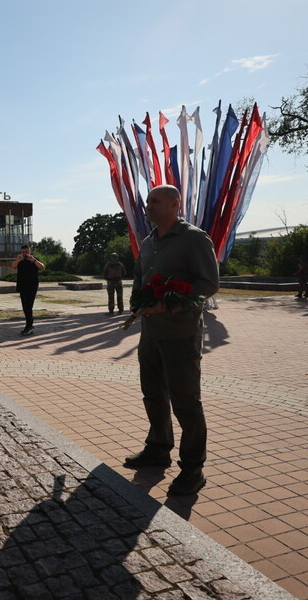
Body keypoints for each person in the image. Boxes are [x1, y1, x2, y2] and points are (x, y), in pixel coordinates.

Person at [123, 185, 219, 496]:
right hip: (151, 332)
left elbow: (209, 283)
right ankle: (158, 448)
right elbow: (140, 278)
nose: (148, 206)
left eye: (155, 201)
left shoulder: (193, 238)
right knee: (152, 393)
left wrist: (172, 303)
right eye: (148, 201)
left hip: (180, 333)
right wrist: (137, 302)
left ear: (175, 204)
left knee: (185, 402)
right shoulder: (149, 242)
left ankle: (193, 468)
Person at [11, 244, 45, 336]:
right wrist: (18, 260)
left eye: (27, 252)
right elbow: (13, 266)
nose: (25, 254)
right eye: (23, 252)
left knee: (28, 306)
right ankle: (29, 326)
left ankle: (29, 326)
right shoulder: (20, 260)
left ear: (30, 251)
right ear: (21, 252)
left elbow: (42, 267)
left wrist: (34, 260)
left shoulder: (34, 259)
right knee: (25, 306)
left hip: (32, 286)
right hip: (22, 285)